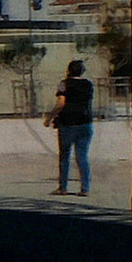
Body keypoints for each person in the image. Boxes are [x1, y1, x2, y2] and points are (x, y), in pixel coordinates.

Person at [44, 59, 93, 197]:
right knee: (82, 156)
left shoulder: (64, 84)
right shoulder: (88, 84)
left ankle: (63, 187)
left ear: (69, 70)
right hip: (85, 122)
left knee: (65, 156)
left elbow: (61, 103)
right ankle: (85, 188)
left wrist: (49, 118)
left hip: (68, 123)